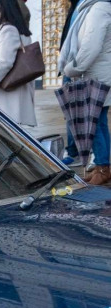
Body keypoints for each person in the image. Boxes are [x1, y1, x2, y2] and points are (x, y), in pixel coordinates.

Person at [59, 0, 111, 185]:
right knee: (100, 122)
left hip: (95, 75)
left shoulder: (98, 9)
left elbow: (91, 46)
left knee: (94, 123)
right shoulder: (93, 8)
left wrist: (72, 68)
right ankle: (103, 167)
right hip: (96, 74)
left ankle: (103, 167)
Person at [0, 0, 36, 127]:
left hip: (9, 97)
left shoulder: (8, 30)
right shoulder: (6, 29)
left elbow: (4, 63)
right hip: (9, 95)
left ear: (1, 12)